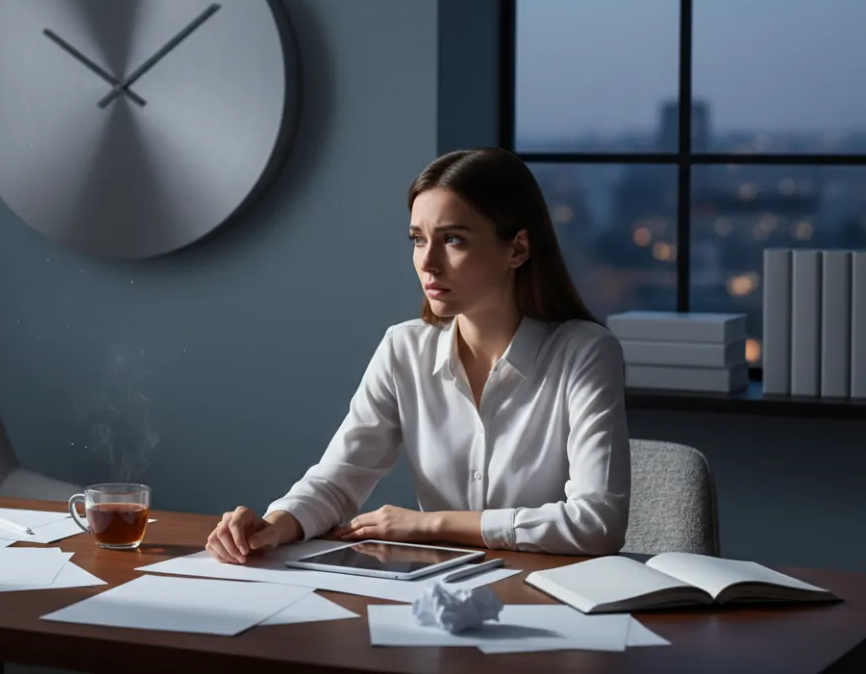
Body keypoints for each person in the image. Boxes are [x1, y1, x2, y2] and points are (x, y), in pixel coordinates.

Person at [206, 148, 631, 563]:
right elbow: (338, 479)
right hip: (439, 597)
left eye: (453, 240)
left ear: (517, 249)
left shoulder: (586, 353)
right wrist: (276, 524)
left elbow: (597, 522)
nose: (428, 262)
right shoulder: (404, 348)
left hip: (550, 601)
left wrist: (431, 524)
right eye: (417, 239)